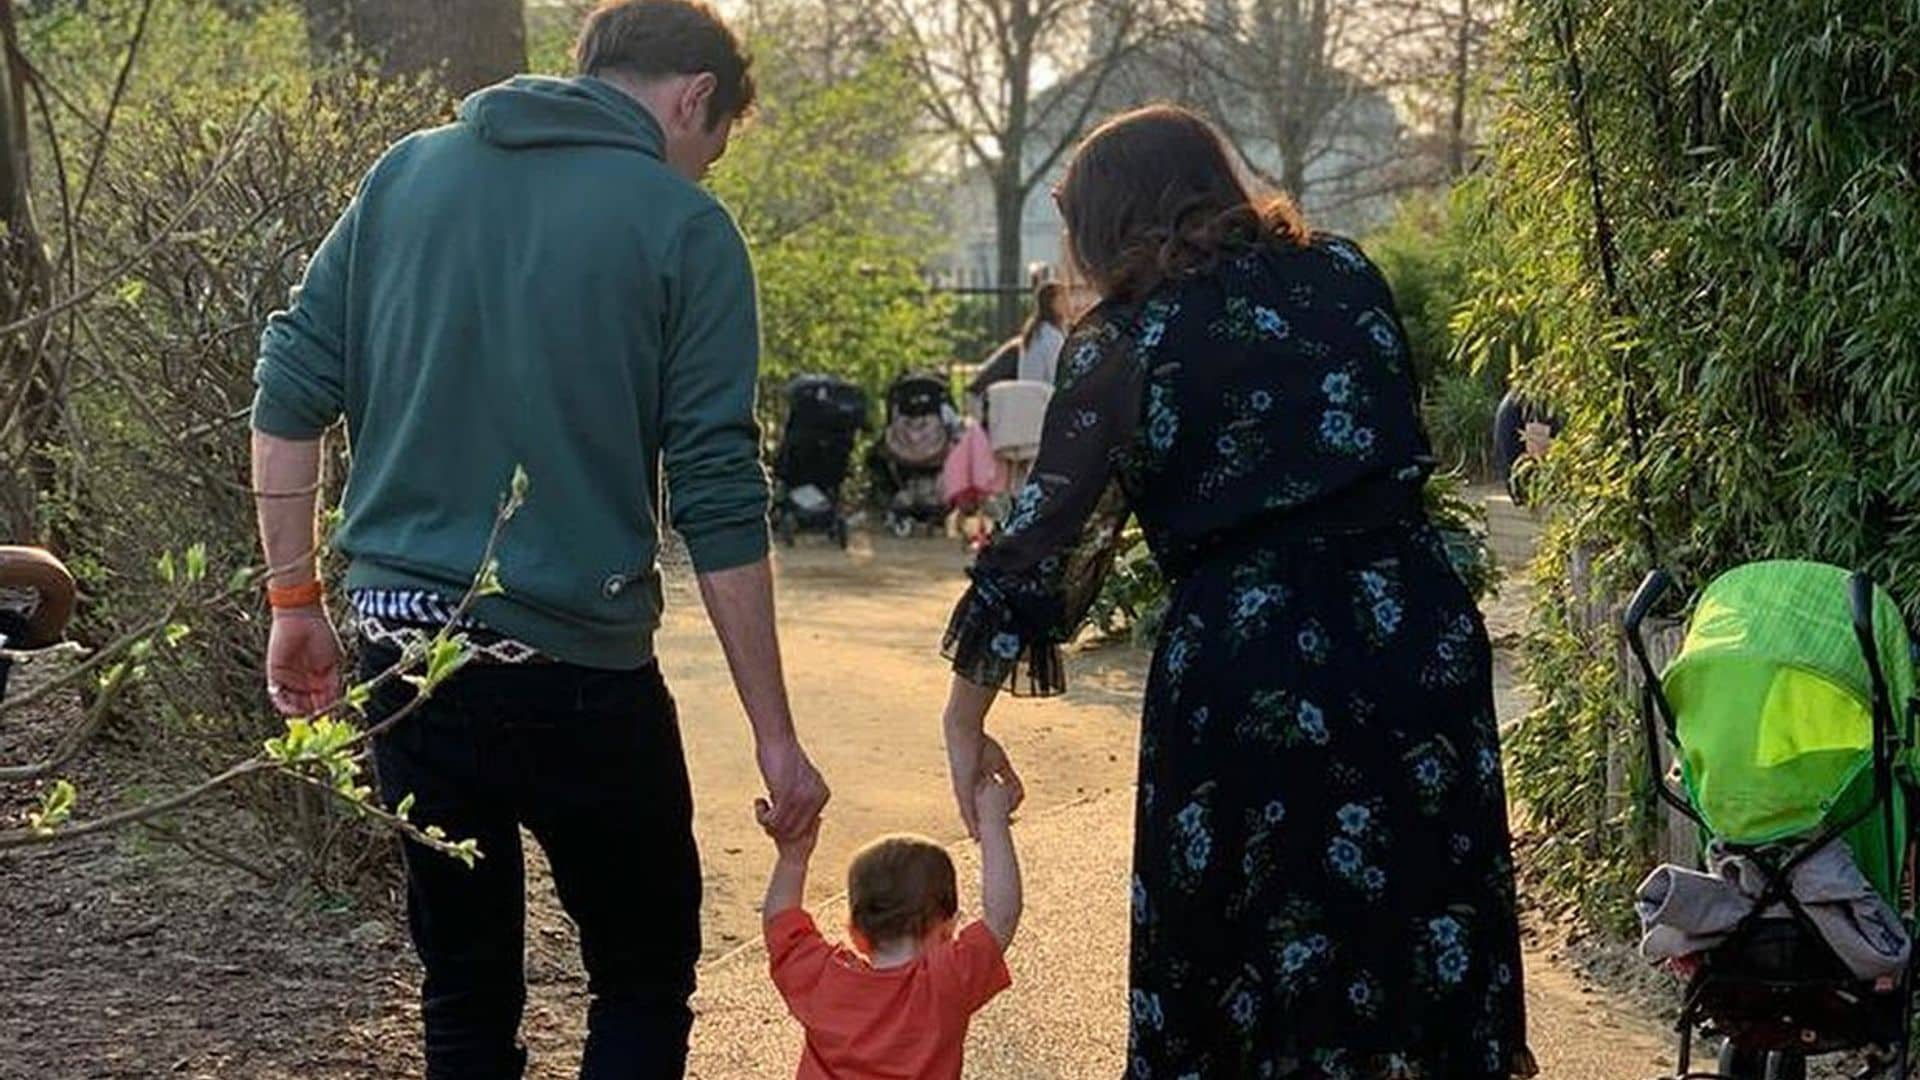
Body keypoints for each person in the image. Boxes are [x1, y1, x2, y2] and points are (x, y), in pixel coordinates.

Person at [248, 2, 830, 1076]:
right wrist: (775, 734)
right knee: (641, 973)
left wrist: (295, 605)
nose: (700, 174)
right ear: (693, 98)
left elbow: (286, 395)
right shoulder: (682, 226)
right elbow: (713, 489)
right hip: (576, 666)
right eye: (713, 148)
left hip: (401, 648)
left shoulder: (405, 176)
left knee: (463, 987)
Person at [938, 105, 1536, 1077]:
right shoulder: (1348, 275)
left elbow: (1040, 545)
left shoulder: (1124, 342)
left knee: (1240, 979)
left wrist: (962, 723)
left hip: (1247, 673)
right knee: (1413, 950)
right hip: (1412, 643)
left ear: (1112, 219)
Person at [759, 772, 1022, 1080]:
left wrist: (792, 857)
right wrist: (993, 822)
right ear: (946, 929)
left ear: (855, 932)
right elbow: (1002, 915)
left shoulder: (822, 978)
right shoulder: (944, 983)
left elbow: (780, 922)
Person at [1016, 281, 1070, 386]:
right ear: (1052, 303)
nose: (1067, 303)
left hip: (1028, 394)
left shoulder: (1036, 331)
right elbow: (1057, 375)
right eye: (1063, 299)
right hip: (1042, 396)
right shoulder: (1051, 336)